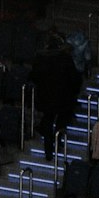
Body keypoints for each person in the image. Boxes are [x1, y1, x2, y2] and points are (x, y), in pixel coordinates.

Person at [30, 32, 83, 160]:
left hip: (45, 97)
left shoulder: (40, 58)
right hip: (63, 98)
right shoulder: (65, 58)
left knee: (48, 121)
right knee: (62, 120)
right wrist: (74, 92)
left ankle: (49, 151)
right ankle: (58, 140)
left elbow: (33, 76)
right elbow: (75, 79)